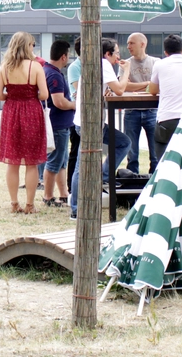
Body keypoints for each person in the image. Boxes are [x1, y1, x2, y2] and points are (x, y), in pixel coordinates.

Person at [69, 37, 131, 220]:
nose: (118, 56)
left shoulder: (93, 63)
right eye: (117, 53)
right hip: (90, 123)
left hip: (86, 121)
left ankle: (99, 179)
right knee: (83, 165)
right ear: (107, 53)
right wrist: (125, 70)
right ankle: (77, 208)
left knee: (120, 143)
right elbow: (120, 90)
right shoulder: (104, 64)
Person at [0, 31, 49, 214]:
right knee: (32, 162)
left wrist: (11, 95)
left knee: (13, 161)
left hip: (11, 112)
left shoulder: (4, 68)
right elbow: (44, 94)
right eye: (32, 44)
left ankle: (13, 203)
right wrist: (30, 94)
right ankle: (30, 204)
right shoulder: (35, 67)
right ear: (27, 46)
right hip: (32, 112)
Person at [147, 34, 182, 157]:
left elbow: (153, 90)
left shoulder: (160, 64)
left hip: (167, 119)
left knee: (163, 160)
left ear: (165, 52)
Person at [40, 40, 75, 208]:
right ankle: (48, 196)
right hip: (57, 124)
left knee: (61, 161)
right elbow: (59, 102)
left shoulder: (47, 70)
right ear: (63, 56)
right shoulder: (54, 74)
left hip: (59, 124)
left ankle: (63, 194)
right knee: (54, 161)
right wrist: (76, 105)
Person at [123, 32, 159, 176]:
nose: (128, 46)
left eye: (131, 43)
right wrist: (148, 84)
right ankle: (132, 183)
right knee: (132, 153)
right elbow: (124, 86)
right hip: (131, 111)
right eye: (128, 43)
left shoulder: (156, 62)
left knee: (155, 151)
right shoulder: (126, 64)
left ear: (142, 44)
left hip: (152, 111)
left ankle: (155, 180)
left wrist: (135, 85)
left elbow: (159, 85)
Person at [65, 37, 82, 186]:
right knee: (75, 151)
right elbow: (80, 90)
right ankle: (71, 185)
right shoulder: (75, 67)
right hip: (77, 115)